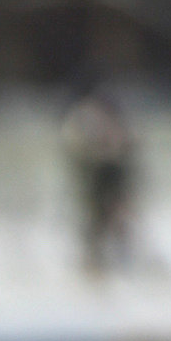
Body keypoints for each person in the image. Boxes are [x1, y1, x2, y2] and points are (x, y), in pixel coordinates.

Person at [61, 87, 140, 277]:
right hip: (93, 173)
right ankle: (95, 259)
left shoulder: (111, 115)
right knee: (96, 218)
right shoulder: (83, 117)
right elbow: (75, 145)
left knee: (117, 215)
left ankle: (121, 257)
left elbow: (129, 142)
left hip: (112, 172)